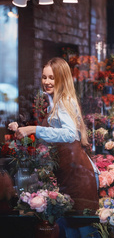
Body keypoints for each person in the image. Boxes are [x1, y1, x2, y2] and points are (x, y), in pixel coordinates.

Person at [8, 57, 100, 238]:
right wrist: (23, 129)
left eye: (52, 78)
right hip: (75, 175)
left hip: (77, 178)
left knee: (81, 229)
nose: (47, 82)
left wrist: (34, 129)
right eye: (44, 77)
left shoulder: (62, 102)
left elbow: (69, 134)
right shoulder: (59, 100)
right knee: (77, 228)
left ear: (62, 79)